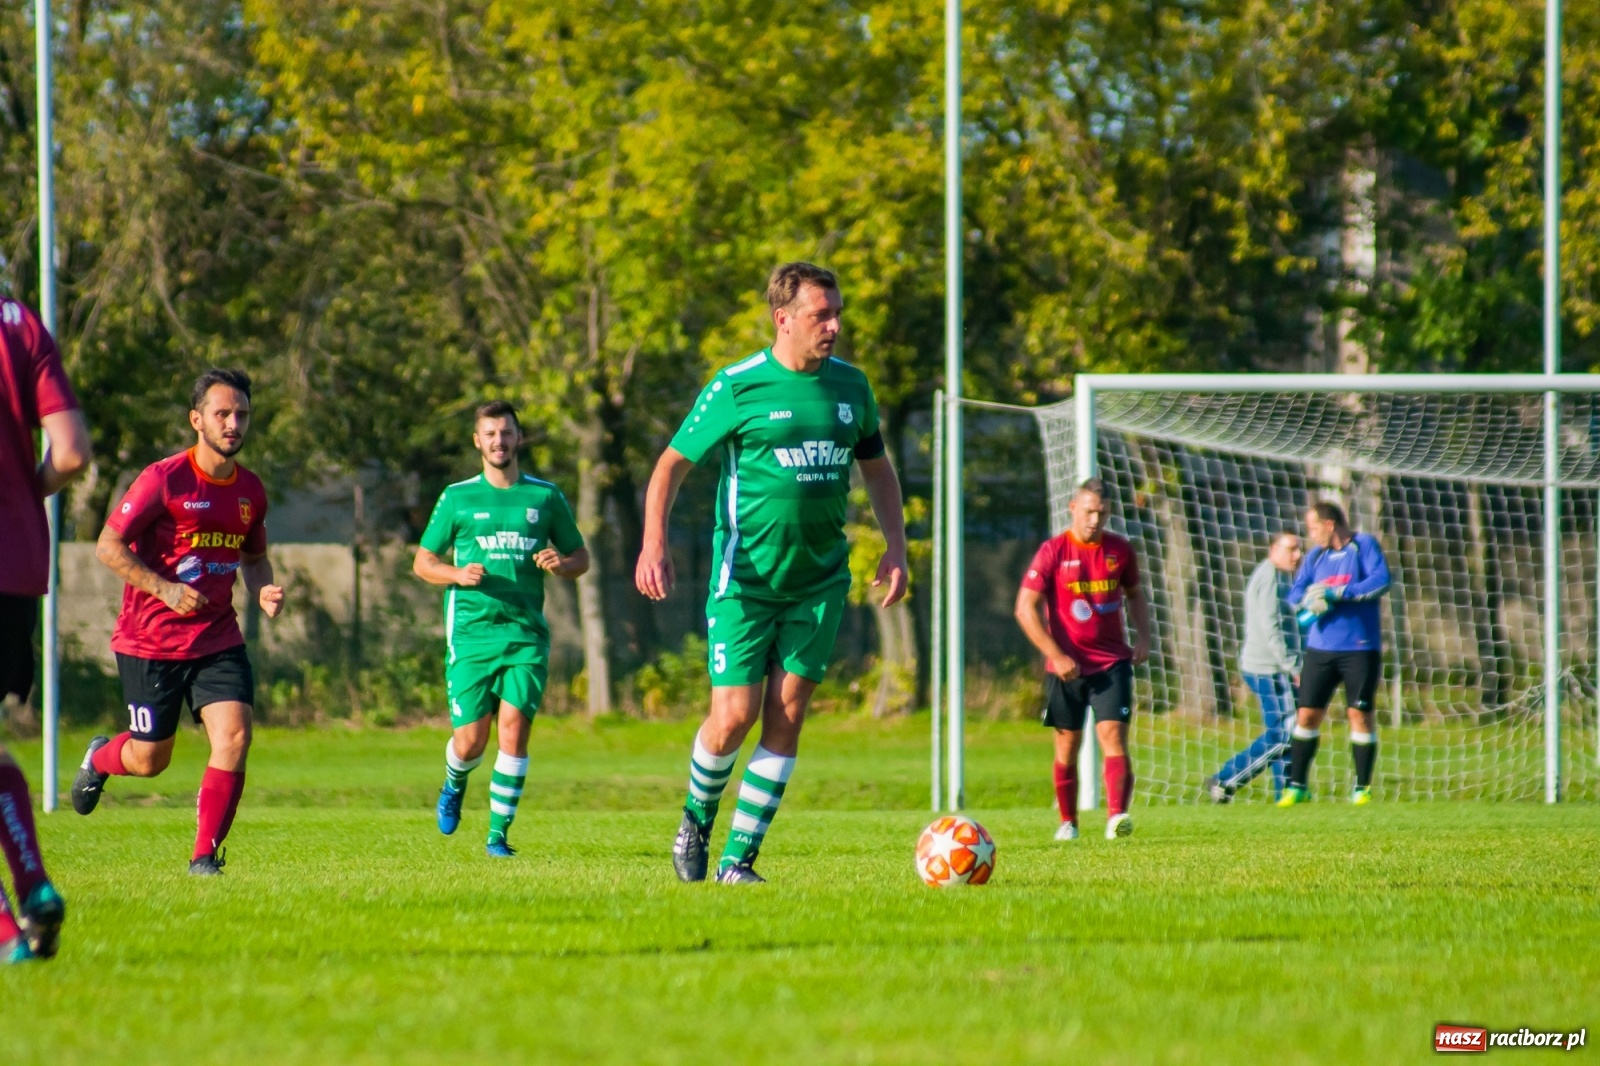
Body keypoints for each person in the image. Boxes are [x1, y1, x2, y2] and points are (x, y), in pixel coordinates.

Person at [636, 262, 907, 884]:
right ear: (783, 320)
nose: (834, 326)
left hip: (819, 583)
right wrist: (654, 543)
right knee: (733, 716)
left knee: (787, 714)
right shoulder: (737, 386)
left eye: (837, 313)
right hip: (745, 580)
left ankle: (739, 861)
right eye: (821, 315)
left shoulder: (852, 387)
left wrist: (896, 546)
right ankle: (696, 818)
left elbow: (879, 469)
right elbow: (670, 465)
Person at [72, 369, 285, 875]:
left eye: (242, 415)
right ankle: (101, 759)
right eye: (223, 414)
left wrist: (264, 590)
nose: (234, 423)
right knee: (150, 759)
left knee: (234, 736)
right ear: (197, 420)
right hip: (150, 642)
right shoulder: (163, 479)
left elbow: (254, 559)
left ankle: (204, 856)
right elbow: (107, 544)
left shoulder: (250, 490)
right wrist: (164, 588)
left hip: (217, 638)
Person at [413, 401, 589, 858]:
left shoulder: (545, 497)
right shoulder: (457, 497)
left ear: (519, 438)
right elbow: (423, 562)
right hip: (471, 634)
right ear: (477, 441)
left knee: (513, 730)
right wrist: (456, 574)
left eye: (506, 432)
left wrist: (561, 563)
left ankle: (498, 836)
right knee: (472, 740)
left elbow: (580, 557)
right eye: (489, 433)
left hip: (526, 635)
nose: (498, 441)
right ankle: (454, 783)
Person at [0, 297, 91, 963]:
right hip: (14, 562)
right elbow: (72, 452)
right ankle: (30, 890)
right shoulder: (20, 323)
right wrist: (23, 501)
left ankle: (13, 918)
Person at [1014, 478, 1152, 841]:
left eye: (1102, 513)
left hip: (1111, 664)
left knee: (1113, 736)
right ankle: (1068, 822)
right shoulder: (1053, 551)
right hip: (1066, 669)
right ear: (1073, 508)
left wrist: (1144, 636)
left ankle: (1117, 818)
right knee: (1067, 746)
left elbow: (1135, 594)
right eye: (1089, 511)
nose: (1095, 519)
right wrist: (1055, 655)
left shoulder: (1120, 550)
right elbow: (1024, 609)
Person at [1278, 500, 1391, 807]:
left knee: (1360, 715)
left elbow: (1381, 581)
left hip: (1360, 648)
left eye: (1314, 528)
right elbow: (1295, 592)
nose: (1311, 535)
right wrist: (1309, 600)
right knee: (1307, 714)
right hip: (1320, 649)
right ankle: (1297, 786)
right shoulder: (1316, 556)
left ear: (1330, 525)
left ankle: (1362, 788)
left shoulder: (1363, 545)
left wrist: (1340, 593)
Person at [1205, 531, 1304, 802]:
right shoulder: (1270, 578)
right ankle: (1225, 779)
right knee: (1285, 733)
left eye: (1299, 549)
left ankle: (1287, 793)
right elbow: (1271, 628)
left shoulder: (1282, 577)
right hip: (1269, 669)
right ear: (1274, 549)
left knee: (1287, 732)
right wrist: (1293, 666)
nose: (1297, 555)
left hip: (1272, 667)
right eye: (1291, 549)